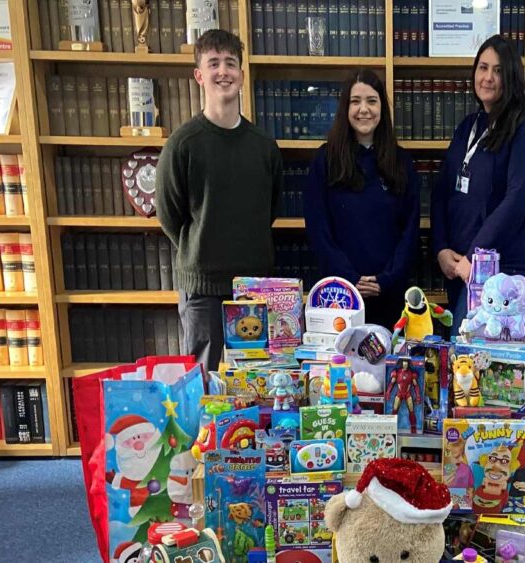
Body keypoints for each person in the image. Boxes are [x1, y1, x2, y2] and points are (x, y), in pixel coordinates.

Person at [156, 29, 282, 371]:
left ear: (241, 74)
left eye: (230, 63)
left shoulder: (264, 146)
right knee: (202, 380)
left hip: (254, 286)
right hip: (202, 288)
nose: (222, 71)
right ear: (199, 75)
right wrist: (202, 246)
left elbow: (270, 207)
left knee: (256, 382)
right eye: (213, 63)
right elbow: (169, 216)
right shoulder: (183, 144)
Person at [431, 35, 525, 333]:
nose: (488, 77)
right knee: (464, 364)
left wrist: (475, 256)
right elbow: (442, 190)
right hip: (460, 268)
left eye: (497, 70)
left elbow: (520, 199)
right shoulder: (468, 126)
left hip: (500, 273)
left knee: (476, 366)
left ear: (511, 76)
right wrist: (441, 249)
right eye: (483, 67)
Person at [304, 69, 420, 328]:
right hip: (339, 298)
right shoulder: (325, 161)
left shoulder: (401, 162)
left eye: (371, 100)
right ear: (345, 108)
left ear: (382, 108)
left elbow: (410, 231)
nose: (363, 109)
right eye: (355, 101)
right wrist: (349, 278)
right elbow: (318, 230)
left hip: (390, 296)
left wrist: (385, 279)